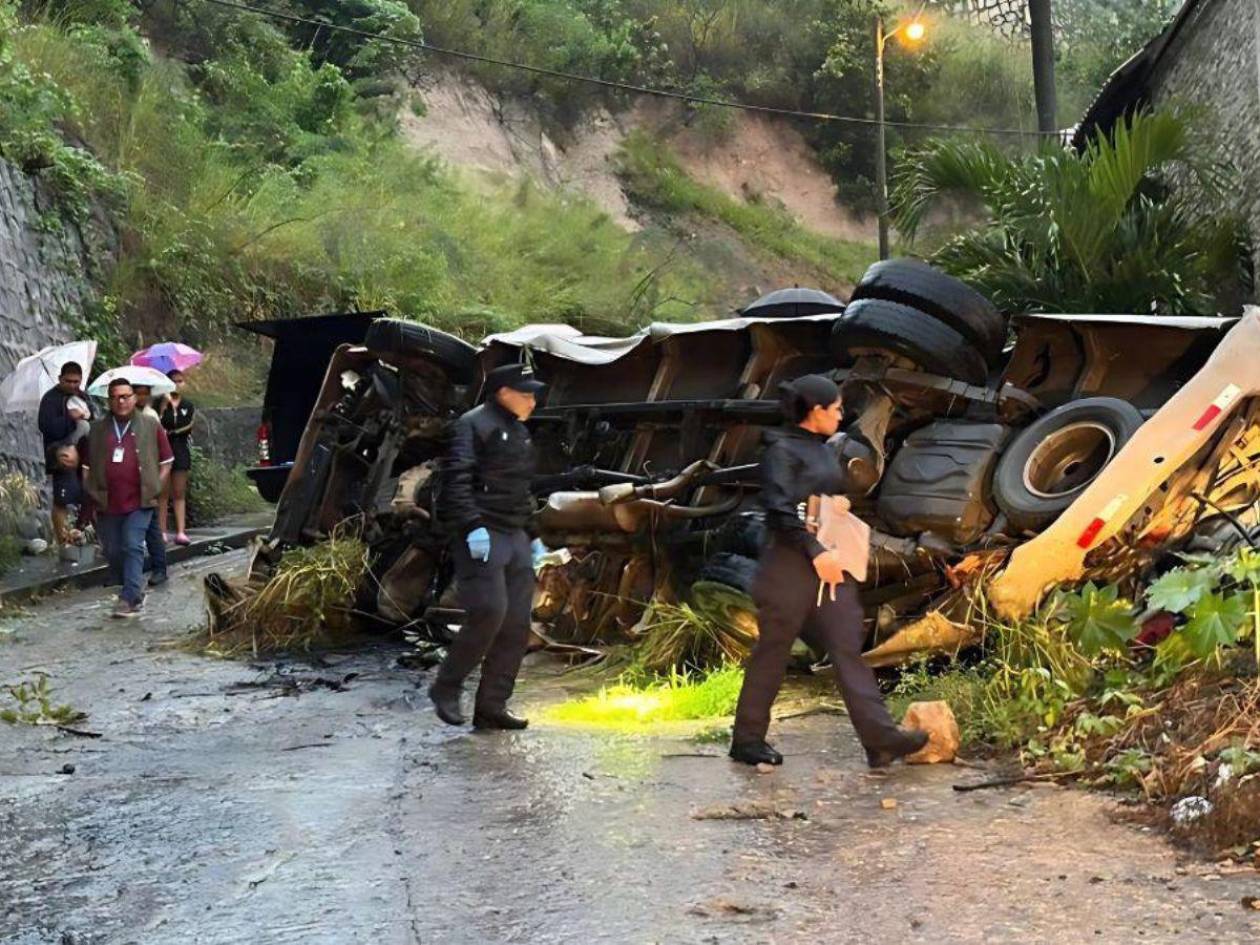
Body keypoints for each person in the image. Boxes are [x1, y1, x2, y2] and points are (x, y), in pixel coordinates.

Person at [729, 374, 928, 769]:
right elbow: (779, 509)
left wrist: (836, 509)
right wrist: (815, 549)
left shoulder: (819, 447)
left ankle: (880, 740)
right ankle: (747, 740)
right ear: (815, 411)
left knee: (847, 647)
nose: (841, 415)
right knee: (774, 650)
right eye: (835, 408)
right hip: (788, 566)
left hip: (828, 568)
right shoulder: (780, 450)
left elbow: (812, 499)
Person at [428, 362, 549, 730]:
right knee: (489, 611)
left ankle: (492, 706)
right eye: (525, 393)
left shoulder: (519, 431)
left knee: (516, 624)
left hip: (514, 534)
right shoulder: (472, 424)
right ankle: (446, 687)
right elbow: (455, 481)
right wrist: (471, 527)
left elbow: (520, 488)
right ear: (503, 392)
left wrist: (533, 533)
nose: (532, 401)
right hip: (482, 533)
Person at [83, 378, 174, 618]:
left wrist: (156, 486)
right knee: (113, 550)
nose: (121, 401)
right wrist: (90, 489)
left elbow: (167, 461)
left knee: (133, 545)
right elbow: (85, 466)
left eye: (125, 396)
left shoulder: (150, 425)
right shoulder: (97, 429)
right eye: (115, 397)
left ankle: (130, 596)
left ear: (134, 398)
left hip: (140, 500)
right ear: (109, 400)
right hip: (107, 501)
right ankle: (132, 588)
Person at [38, 362, 91, 543]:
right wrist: (70, 417)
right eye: (68, 381)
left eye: (76, 381)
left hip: (84, 454)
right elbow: (46, 428)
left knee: (88, 495)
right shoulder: (50, 399)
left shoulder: (83, 397)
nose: (72, 385)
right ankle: (62, 542)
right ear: (60, 379)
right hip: (61, 454)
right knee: (62, 499)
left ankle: (82, 536)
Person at [129, 382, 170, 577]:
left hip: (147, 474)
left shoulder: (150, 417)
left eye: (145, 394)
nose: (141, 397)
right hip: (128, 478)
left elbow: (160, 450)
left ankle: (159, 567)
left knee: (151, 524)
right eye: (138, 393)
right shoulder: (122, 417)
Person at [158, 369, 196, 545]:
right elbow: (155, 423)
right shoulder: (159, 403)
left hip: (180, 449)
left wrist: (171, 431)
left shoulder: (188, 405)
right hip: (162, 451)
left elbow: (186, 426)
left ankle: (181, 531)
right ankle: (162, 531)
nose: (177, 384)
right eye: (173, 381)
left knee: (179, 492)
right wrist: (163, 407)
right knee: (162, 493)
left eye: (180, 381)